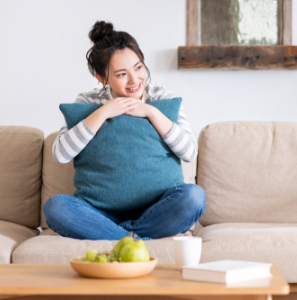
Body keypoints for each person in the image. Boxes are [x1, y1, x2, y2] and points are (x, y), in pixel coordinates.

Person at [43, 21, 206, 241]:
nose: (134, 80)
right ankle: (137, 239)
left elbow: (189, 152)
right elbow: (60, 154)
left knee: (194, 197)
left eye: (138, 68)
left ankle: (120, 238)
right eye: (121, 74)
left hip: (157, 209)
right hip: (101, 214)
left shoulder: (162, 97)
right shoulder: (87, 101)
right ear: (102, 78)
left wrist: (151, 112)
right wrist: (102, 112)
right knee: (55, 207)